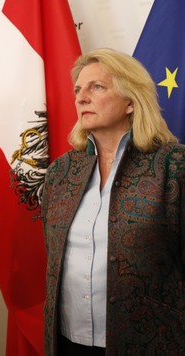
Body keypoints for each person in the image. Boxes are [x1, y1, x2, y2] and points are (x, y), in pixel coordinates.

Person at [41, 48, 185, 355]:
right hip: (67, 341)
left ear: (131, 101)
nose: (81, 98)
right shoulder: (61, 172)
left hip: (149, 342)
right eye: (78, 90)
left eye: (97, 87)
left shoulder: (173, 166)